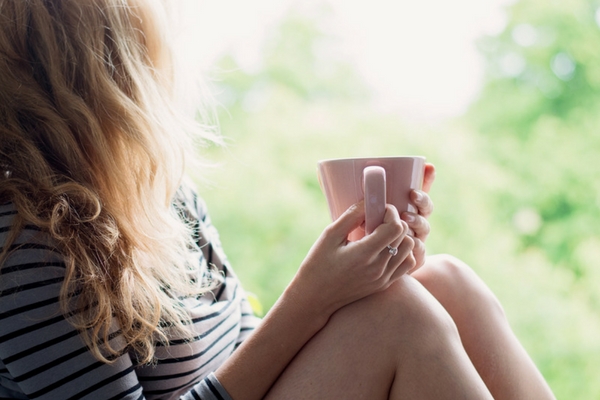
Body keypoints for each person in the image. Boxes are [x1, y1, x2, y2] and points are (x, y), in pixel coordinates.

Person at [0, 0, 556, 399]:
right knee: (401, 316)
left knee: (442, 280)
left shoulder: (161, 195)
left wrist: (353, 274)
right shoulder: (26, 246)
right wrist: (311, 298)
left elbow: (249, 348)